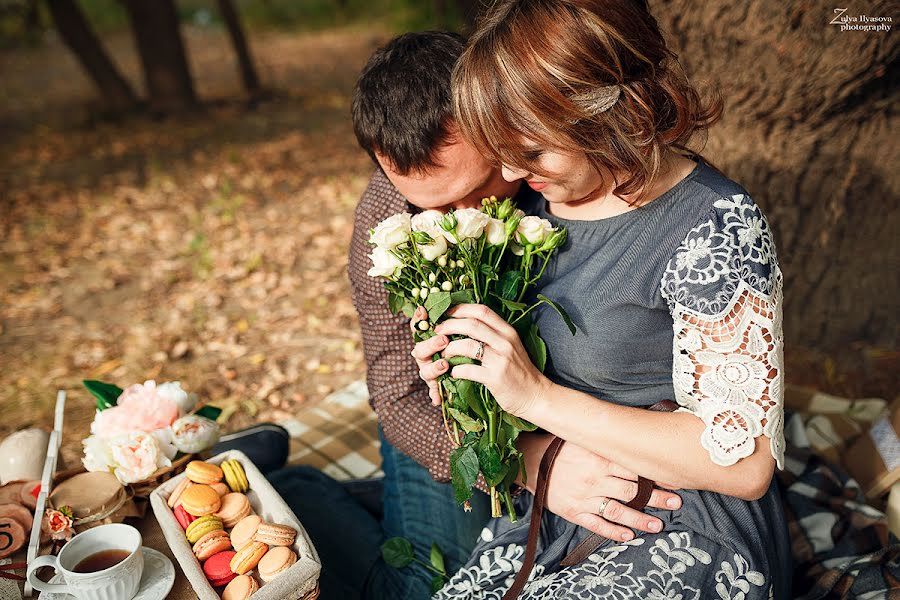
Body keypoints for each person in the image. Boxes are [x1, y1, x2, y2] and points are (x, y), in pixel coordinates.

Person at [268, 30, 682, 599]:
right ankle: (295, 494)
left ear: (500, 118)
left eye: (477, 186)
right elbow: (396, 392)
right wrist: (529, 466)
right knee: (436, 586)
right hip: (458, 426)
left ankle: (378, 501)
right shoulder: (385, 224)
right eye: (432, 206)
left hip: (565, 407)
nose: (467, 217)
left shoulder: (558, 173)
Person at [413, 1, 792, 598]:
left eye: (532, 152)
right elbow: (496, 417)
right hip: (550, 510)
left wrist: (535, 397)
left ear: (607, 113)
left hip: (683, 521)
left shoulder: (713, 228)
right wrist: (470, 391)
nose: (509, 169)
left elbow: (744, 466)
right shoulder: (522, 204)